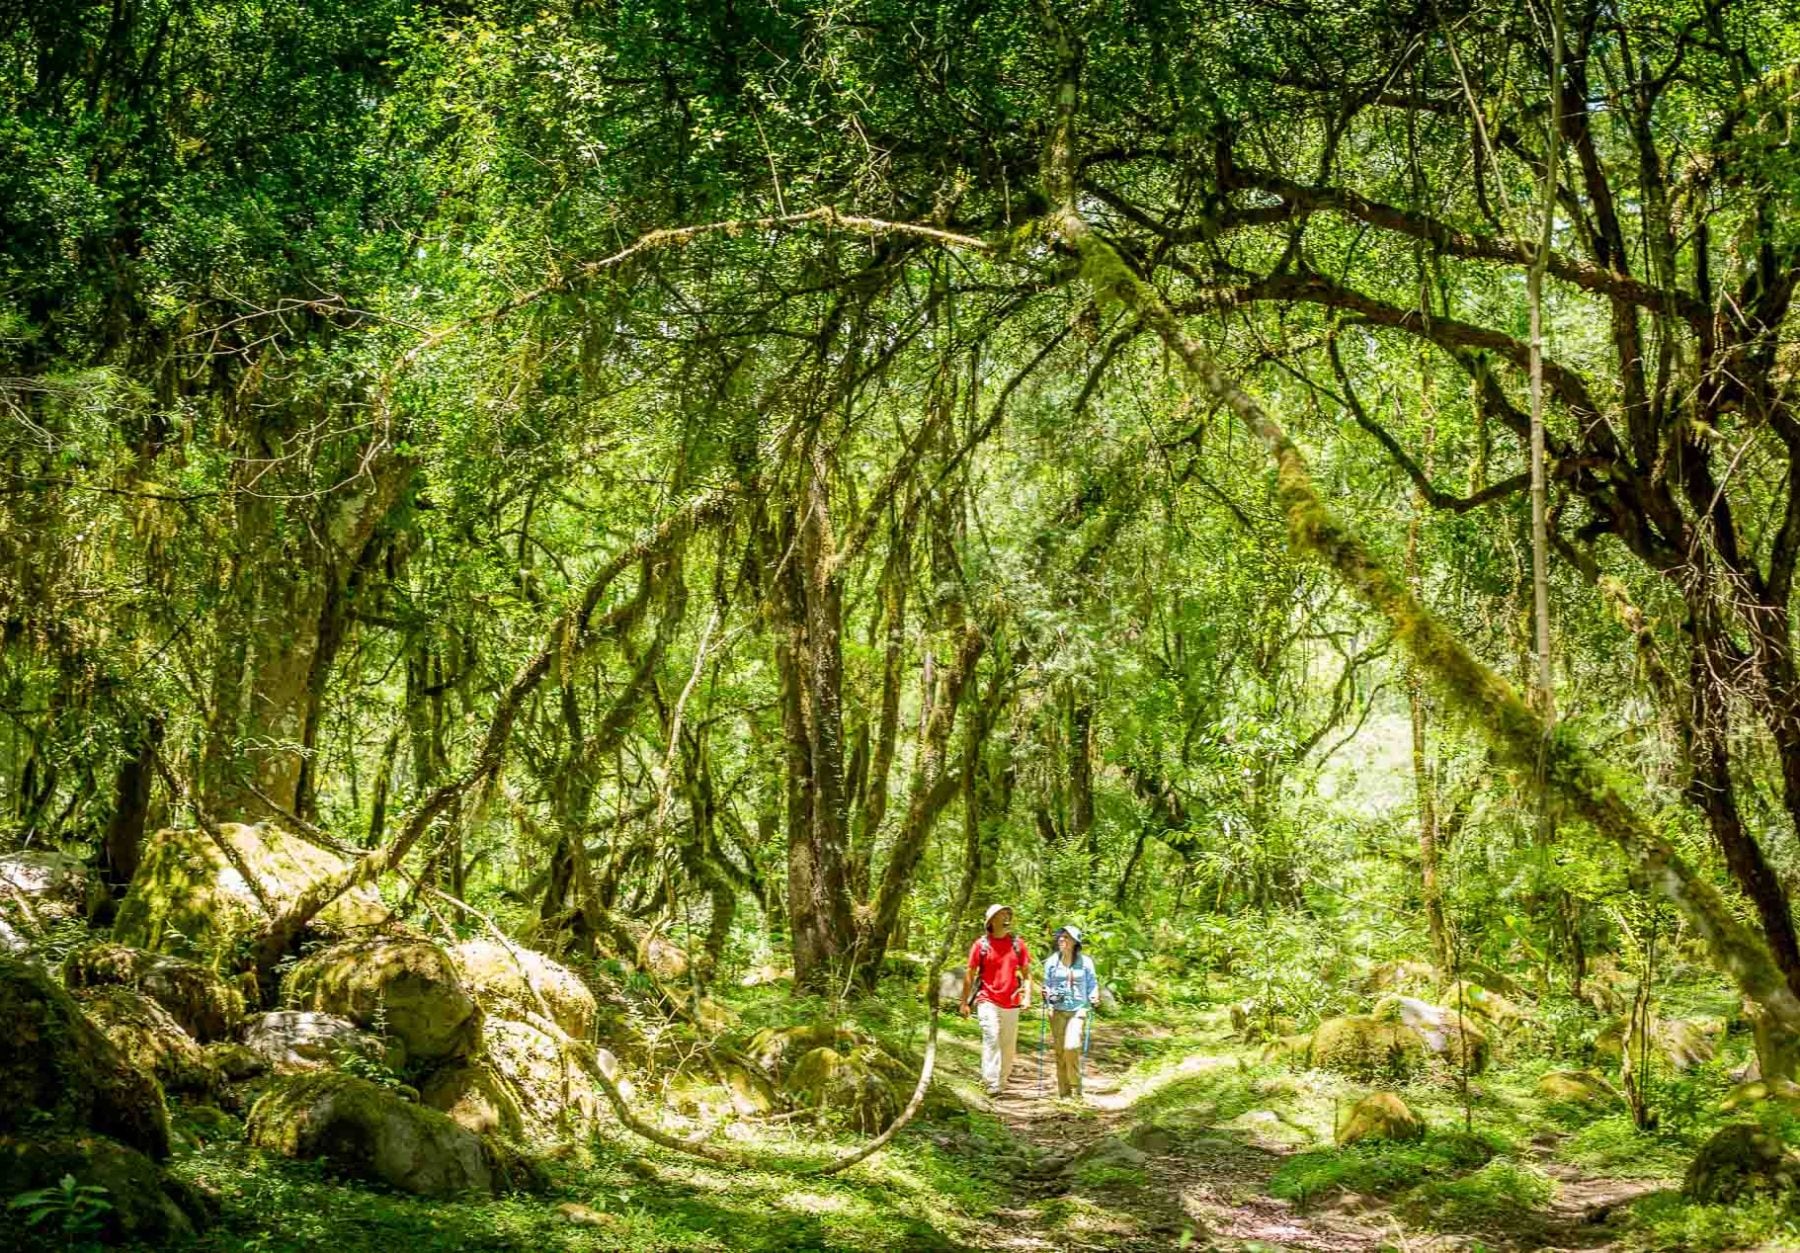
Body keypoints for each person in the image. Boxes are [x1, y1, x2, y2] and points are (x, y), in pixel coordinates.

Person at [959, 903, 1031, 1097]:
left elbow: (1026, 974)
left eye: (1008, 913)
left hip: (1012, 1000)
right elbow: (970, 973)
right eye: (1001, 914)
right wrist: (964, 1002)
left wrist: (1027, 996)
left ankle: (1002, 1079)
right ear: (991, 921)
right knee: (991, 1036)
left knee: (1008, 1044)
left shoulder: (1018, 944)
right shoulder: (981, 945)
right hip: (987, 998)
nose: (1006, 916)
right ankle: (991, 1082)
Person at [1042, 924, 1099, 1099]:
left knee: (1071, 1046)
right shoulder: (1052, 961)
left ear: (1075, 942)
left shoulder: (1086, 962)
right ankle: (1064, 1094)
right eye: (1060, 936)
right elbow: (1047, 984)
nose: (1061, 939)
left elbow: (1092, 983)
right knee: (1060, 1052)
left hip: (1078, 1010)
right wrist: (1046, 994)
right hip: (1057, 1010)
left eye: (1066, 937)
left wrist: (1094, 995)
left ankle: (1076, 1085)